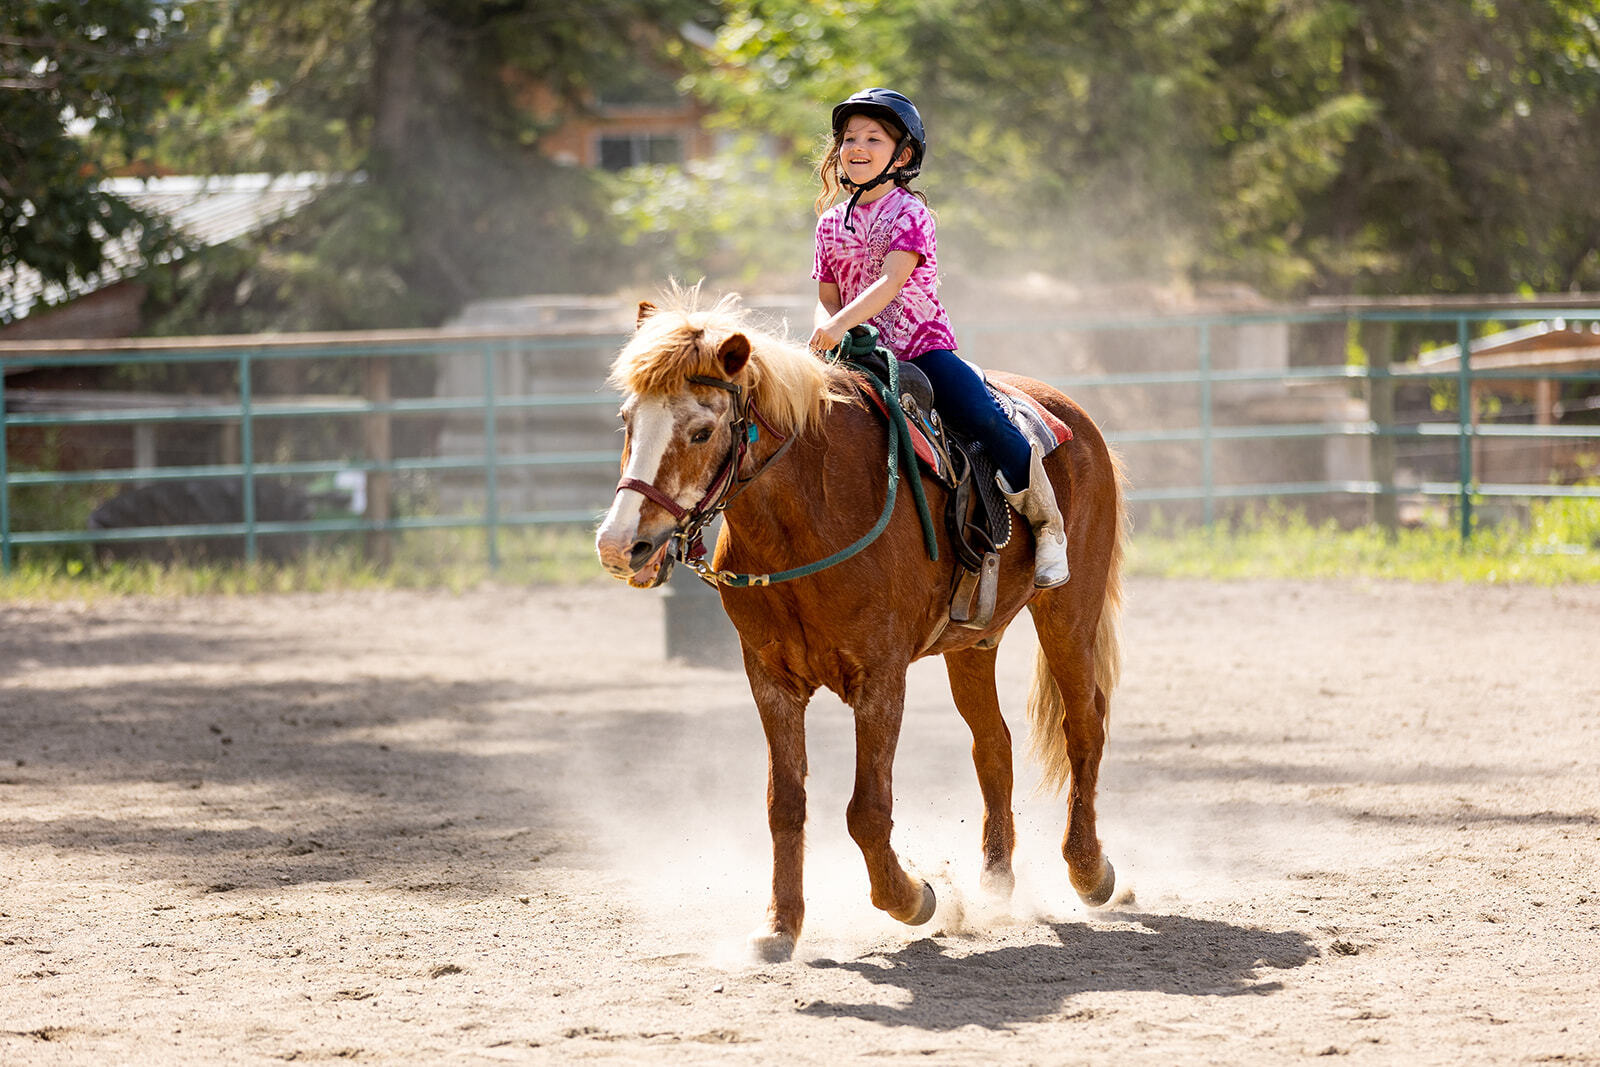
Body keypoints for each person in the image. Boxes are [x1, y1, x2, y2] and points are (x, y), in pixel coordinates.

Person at [807, 87, 1070, 587]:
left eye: (873, 138)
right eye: (848, 137)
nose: (856, 147)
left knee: (982, 417)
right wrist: (833, 326)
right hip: (853, 353)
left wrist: (840, 323)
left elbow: (891, 282)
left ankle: (1047, 525)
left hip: (919, 349)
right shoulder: (827, 225)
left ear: (902, 156)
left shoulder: (910, 214)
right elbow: (827, 294)